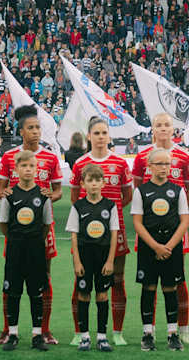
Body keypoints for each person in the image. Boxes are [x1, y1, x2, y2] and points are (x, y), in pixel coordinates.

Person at [0, 105, 63, 345]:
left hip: (41, 227)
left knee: (43, 276)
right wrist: (8, 193)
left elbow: (58, 192)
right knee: (11, 277)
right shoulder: (8, 157)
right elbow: (0, 190)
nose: (36, 132)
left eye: (38, 128)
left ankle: (43, 330)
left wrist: (48, 196)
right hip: (16, 231)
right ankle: (8, 329)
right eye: (31, 128)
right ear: (21, 131)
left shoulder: (50, 157)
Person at [131, 113, 189, 345]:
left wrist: (173, 217)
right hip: (150, 231)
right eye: (158, 125)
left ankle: (182, 329)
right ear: (152, 129)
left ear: (173, 129)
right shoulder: (141, 157)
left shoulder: (184, 156)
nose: (162, 129)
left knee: (177, 280)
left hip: (175, 229)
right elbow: (139, 189)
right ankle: (150, 331)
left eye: (167, 125)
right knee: (150, 282)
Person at [69, 117, 132, 346]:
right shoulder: (80, 164)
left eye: (104, 132)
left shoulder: (121, 164)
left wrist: (107, 216)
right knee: (81, 281)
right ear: (88, 136)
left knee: (116, 280)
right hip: (86, 236)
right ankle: (80, 332)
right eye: (96, 133)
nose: (101, 137)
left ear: (109, 135)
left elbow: (127, 196)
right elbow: (75, 198)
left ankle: (116, 331)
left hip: (114, 232)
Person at [0, 150, 54, 352]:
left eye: (31, 166)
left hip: (35, 249)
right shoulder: (10, 195)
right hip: (15, 249)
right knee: (13, 292)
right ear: (16, 169)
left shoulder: (43, 195)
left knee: (36, 293)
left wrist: (35, 239)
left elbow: (46, 224)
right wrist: (15, 238)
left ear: (36, 169)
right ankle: (12, 334)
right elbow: (4, 224)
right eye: (24, 166)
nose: (28, 169)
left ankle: (37, 335)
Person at [66, 163, 118, 352]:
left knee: (103, 295)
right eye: (90, 180)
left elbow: (114, 234)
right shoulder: (78, 207)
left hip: (104, 256)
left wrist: (111, 260)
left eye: (97, 180)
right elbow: (73, 235)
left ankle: (102, 337)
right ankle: (85, 337)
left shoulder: (110, 206)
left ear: (103, 183)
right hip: (85, 257)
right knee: (84, 294)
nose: (94, 184)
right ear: (83, 184)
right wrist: (77, 261)